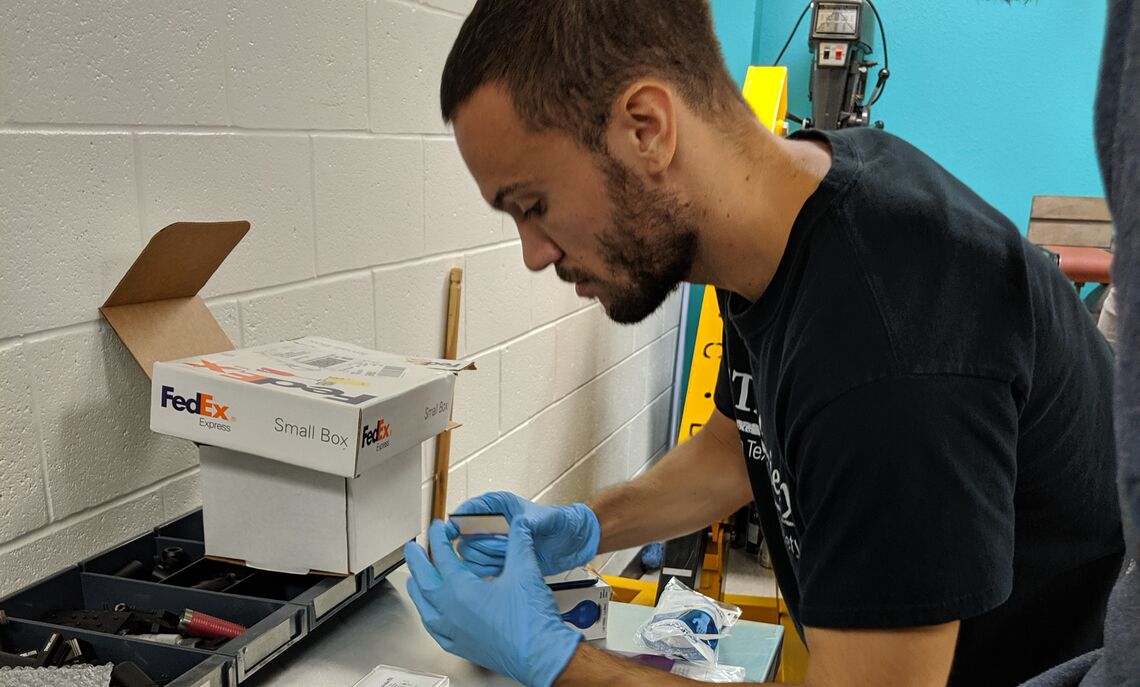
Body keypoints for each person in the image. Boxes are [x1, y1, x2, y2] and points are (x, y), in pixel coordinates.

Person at [403, 2, 1124, 686]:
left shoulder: (888, 347)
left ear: (647, 128)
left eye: (533, 205)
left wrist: (556, 659)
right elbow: (738, 446)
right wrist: (591, 524)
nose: (532, 252)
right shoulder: (779, 223)